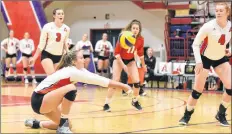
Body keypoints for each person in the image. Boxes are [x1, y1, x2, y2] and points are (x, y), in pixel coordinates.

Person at [24, 50, 133, 133]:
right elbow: (102, 81)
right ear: (73, 61)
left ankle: (36, 123)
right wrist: (124, 86)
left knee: (68, 125)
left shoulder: (78, 71)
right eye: (81, 58)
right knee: (71, 88)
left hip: (46, 100)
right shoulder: (72, 71)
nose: (84, 59)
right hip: (39, 99)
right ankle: (63, 127)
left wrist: (123, 86)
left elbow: (100, 79)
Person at [179, 2, 231, 127]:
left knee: (231, 87)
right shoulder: (208, 26)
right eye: (217, 10)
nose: (218, 12)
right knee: (198, 90)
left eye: (221, 10)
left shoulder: (230, 26)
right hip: (204, 58)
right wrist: (198, 62)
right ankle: (186, 115)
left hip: (220, 58)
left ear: (227, 13)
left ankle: (221, 114)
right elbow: (195, 44)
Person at [103, 19, 147, 112]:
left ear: (139, 30)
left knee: (137, 82)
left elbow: (141, 54)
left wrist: (144, 65)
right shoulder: (123, 36)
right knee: (115, 80)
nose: (135, 30)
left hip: (130, 60)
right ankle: (106, 104)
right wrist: (123, 66)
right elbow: (117, 53)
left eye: (137, 28)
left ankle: (135, 101)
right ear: (130, 29)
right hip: (119, 59)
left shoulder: (140, 39)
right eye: (133, 28)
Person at [29, 8, 70, 75]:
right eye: (59, 14)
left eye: (62, 14)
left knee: (55, 80)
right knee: (52, 76)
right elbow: (41, 44)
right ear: (54, 16)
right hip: (47, 54)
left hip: (59, 56)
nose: (61, 15)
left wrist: (68, 53)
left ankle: (45, 85)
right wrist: (34, 58)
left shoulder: (67, 29)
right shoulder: (47, 27)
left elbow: (65, 42)